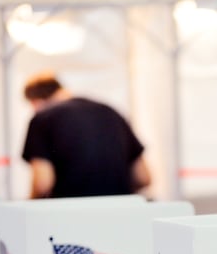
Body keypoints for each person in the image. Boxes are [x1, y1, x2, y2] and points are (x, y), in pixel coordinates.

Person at [21, 72, 151, 198]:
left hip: (70, 214)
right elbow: (143, 178)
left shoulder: (42, 118)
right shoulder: (112, 112)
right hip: (121, 212)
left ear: (35, 102)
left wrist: (30, 204)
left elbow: (42, 184)